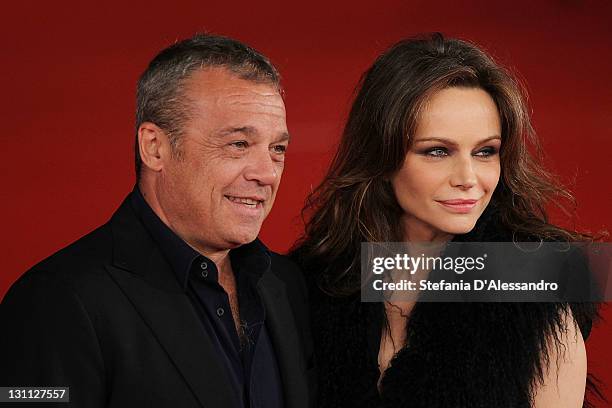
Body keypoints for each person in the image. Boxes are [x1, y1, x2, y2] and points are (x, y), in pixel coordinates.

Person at [1, 34, 314, 408]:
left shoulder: (288, 285)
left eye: (277, 149)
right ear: (154, 147)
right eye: (238, 144)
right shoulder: (57, 302)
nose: (267, 173)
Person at [291, 33, 600, 407]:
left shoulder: (536, 294)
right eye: (437, 151)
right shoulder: (309, 286)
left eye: (486, 151)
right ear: (381, 156)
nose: (468, 178)